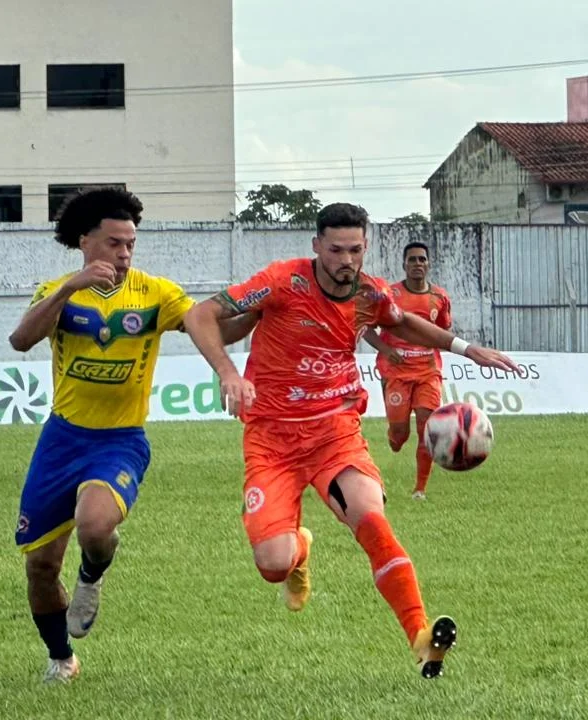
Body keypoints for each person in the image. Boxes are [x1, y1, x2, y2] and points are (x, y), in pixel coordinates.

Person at [182, 202, 519, 679]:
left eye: (355, 250)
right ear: (317, 246)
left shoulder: (369, 293)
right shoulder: (282, 281)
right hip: (272, 438)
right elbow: (201, 315)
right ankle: (299, 549)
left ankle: (421, 637)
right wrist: (228, 373)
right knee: (273, 563)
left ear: (366, 247)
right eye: (336, 250)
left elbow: (399, 321)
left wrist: (466, 348)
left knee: (371, 519)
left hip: (334, 432)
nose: (346, 260)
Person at [6, 186, 258, 685]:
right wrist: (69, 288)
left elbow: (216, 329)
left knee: (95, 526)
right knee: (40, 567)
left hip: (119, 440)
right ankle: (61, 658)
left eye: (131, 244)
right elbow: (21, 339)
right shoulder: (58, 290)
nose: (124, 254)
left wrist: (258, 313)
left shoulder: (155, 293)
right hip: (61, 440)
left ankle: (91, 574)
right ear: (85, 242)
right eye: (114, 243)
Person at [361, 241, 453, 499]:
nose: (417, 264)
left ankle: (420, 489)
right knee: (399, 437)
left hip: (428, 372)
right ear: (404, 264)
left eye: (422, 259)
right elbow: (365, 326)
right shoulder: (388, 296)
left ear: (429, 264)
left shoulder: (439, 298)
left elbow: (442, 331)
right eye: (412, 259)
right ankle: (394, 435)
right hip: (396, 372)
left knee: (427, 428)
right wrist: (385, 349)